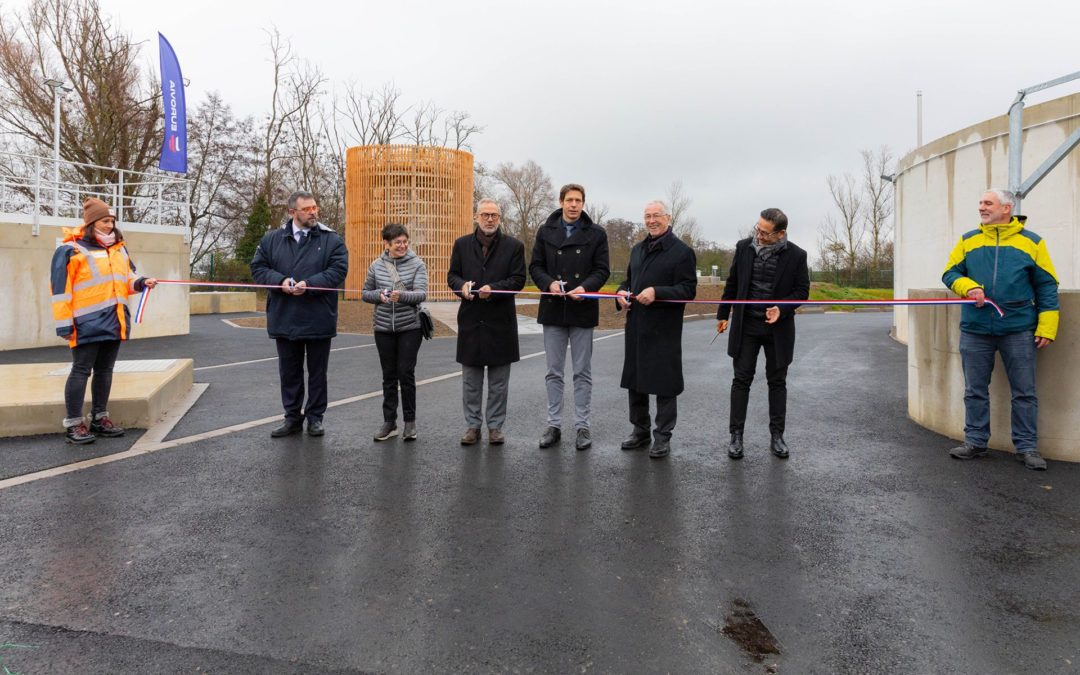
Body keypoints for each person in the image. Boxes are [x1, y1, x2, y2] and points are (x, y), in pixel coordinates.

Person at [943, 189, 1059, 471]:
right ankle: (975, 441)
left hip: (1018, 328)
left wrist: (1047, 326)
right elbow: (949, 273)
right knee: (975, 390)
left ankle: (1027, 447)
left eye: (987, 203)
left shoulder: (1032, 242)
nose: (981, 207)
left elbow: (1047, 285)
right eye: (980, 202)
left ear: (1007, 208)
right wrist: (967, 286)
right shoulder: (968, 240)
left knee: (1025, 391)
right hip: (975, 328)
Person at [50, 197, 157, 444]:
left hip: (114, 320)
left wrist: (141, 282)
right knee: (80, 370)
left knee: (105, 370)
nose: (109, 225)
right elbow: (60, 291)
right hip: (85, 322)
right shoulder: (71, 250)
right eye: (104, 220)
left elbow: (127, 279)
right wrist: (64, 323)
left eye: (111, 221)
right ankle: (74, 424)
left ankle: (100, 418)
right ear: (91, 222)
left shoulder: (119, 249)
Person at [250, 190, 349, 438]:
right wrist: (280, 281)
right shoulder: (272, 239)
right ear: (292, 212)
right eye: (307, 209)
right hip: (285, 316)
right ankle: (292, 417)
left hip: (318, 316)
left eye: (315, 207)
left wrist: (310, 284)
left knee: (317, 372)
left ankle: (315, 417)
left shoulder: (331, 240)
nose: (314, 212)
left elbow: (338, 270)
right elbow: (258, 268)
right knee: (289, 372)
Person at [716, 208, 809, 460]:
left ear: (780, 234)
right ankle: (736, 436)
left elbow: (802, 292)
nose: (758, 235)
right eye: (757, 228)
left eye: (765, 232)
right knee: (741, 380)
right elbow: (732, 283)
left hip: (777, 329)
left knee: (777, 382)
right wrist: (723, 314)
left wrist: (782, 308)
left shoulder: (797, 255)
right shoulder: (743, 247)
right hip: (747, 327)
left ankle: (777, 436)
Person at [529, 183, 610, 450]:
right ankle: (553, 425)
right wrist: (549, 284)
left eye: (578, 200)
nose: (574, 205)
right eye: (569, 200)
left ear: (583, 204)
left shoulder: (596, 234)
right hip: (553, 309)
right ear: (561, 201)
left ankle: (582, 427)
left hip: (582, 309)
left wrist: (585, 288)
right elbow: (536, 266)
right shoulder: (545, 232)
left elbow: (602, 270)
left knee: (582, 372)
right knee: (553, 372)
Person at [615, 200, 697, 458]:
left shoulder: (682, 252)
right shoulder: (637, 249)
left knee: (664, 384)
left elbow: (688, 290)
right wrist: (620, 292)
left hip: (664, 328)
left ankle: (662, 436)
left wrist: (657, 292)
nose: (651, 220)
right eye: (647, 216)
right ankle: (640, 431)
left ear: (668, 218)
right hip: (637, 326)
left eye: (656, 216)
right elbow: (629, 280)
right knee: (635, 382)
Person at [447, 199, 527, 445]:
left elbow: (518, 279)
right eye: (485, 215)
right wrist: (462, 287)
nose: (489, 219)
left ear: (500, 218)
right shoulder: (461, 245)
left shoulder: (514, 246)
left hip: (500, 322)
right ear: (476, 217)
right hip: (471, 321)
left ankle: (495, 427)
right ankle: (472, 426)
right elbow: (452, 276)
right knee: (471, 382)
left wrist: (495, 289)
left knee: (498, 383)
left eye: (494, 215)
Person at [362, 223, 429, 442]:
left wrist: (401, 296)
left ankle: (410, 422)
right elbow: (365, 293)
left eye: (405, 241)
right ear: (387, 244)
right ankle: (389, 422)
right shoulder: (376, 266)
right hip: (383, 328)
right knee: (388, 375)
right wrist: (379, 295)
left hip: (410, 326)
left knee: (405, 373)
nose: (402, 246)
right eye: (397, 242)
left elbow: (421, 294)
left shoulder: (417, 264)